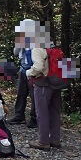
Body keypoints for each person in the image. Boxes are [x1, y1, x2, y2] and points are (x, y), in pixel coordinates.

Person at [26, 21, 61, 150]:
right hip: (56, 83)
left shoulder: (37, 48)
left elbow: (38, 67)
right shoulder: (53, 46)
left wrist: (29, 72)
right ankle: (55, 139)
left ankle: (43, 141)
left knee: (42, 113)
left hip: (43, 84)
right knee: (55, 112)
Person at [8, 19, 38, 128]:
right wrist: (19, 43)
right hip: (23, 69)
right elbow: (15, 53)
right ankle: (19, 116)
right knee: (21, 94)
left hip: (34, 71)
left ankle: (35, 118)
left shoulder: (39, 39)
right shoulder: (22, 38)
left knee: (35, 96)